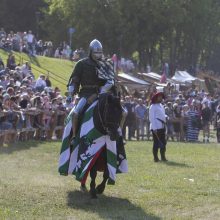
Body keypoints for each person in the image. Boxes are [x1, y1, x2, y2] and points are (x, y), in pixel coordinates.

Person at [67, 39, 115, 139]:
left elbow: (110, 82)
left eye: (99, 52)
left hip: (102, 94)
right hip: (85, 94)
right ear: (90, 51)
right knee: (76, 113)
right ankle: (74, 136)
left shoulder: (105, 64)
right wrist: (71, 92)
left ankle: (118, 136)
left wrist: (97, 94)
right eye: (95, 52)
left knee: (122, 112)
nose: (98, 55)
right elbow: (74, 80)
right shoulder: (81, 64)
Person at [149, 92, 167, 162]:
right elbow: (151, 118)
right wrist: (154, 128)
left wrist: (166, 117)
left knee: (163, 142)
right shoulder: (152, 106)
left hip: (162, 126)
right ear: (156, 98)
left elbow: (162, 115)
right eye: (159, 97)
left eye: (161, 97)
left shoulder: (161, 105)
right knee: (156, 143)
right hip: (156, 127)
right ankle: (155, 158)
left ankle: (163, 157)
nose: (161, 98)